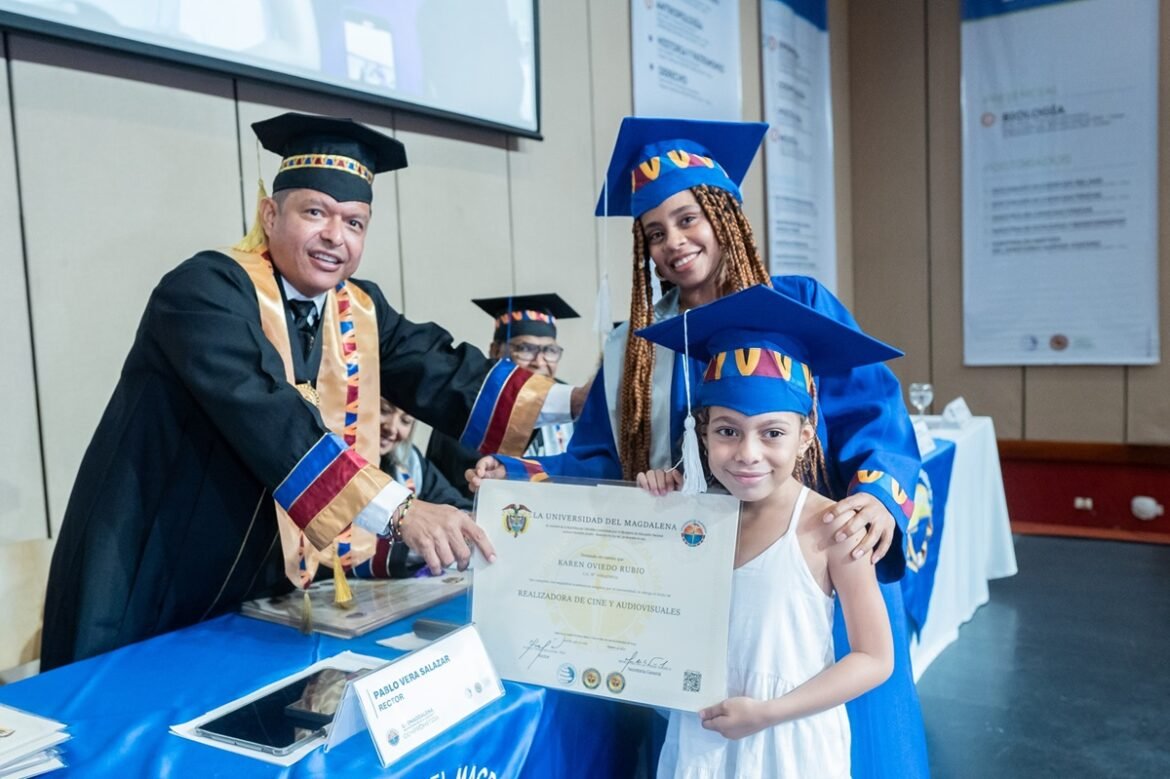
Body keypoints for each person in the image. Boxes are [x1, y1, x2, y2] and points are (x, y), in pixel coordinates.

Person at [470, 117, 928, 778]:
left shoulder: (797, 303)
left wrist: (879, 494)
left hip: (807, 577)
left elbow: (875, 414)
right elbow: (597, 462)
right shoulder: (635, 346)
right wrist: (518, 476)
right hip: (697, 587)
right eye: (654, 232)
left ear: (725, 214)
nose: (674, 243)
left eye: (687, 219)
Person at [39, 112, 574, 670]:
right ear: (270, 215)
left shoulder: (357, 308)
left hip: (256, 583)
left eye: (354, 222)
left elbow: (439, 367)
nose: (335, 236)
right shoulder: (204, 292)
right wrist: (401, 511)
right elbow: (270, 415)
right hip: (151, 567)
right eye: (315, 212)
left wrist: (575, 403)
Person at [635, 284, 899, 777]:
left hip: (788, 740)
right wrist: (651, 505)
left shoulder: (832, 528)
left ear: (805, 435)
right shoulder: (693, 521)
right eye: (727, 431)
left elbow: (874, 658)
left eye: (772, 433)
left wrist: (768, 713)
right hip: (702, 736)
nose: (747, 454)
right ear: (702, 433)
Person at [427, 293, 579, 496]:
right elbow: (451, 488)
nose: (539, 362)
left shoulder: (572, 403)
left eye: (550, 350)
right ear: (495, 351)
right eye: (525, 349)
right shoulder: (470, 403)